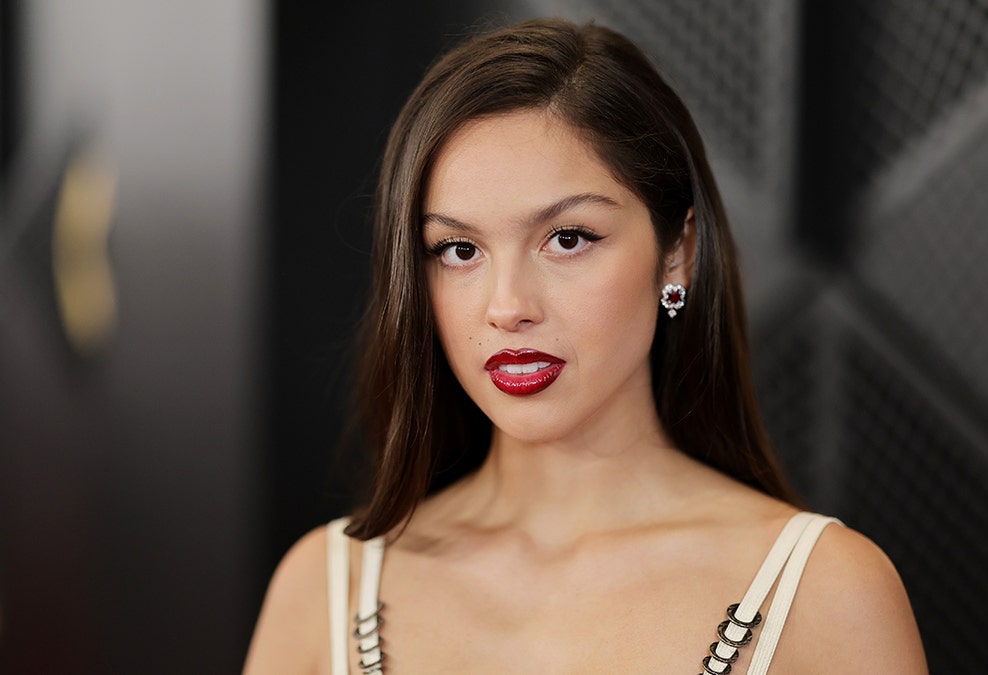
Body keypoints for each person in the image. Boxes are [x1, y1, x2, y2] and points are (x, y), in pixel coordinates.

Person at [245, 18, 927, 674]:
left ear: (678, 253)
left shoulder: (828, 592)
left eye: (568, 238)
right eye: (458, 249)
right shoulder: (326, 588)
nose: (508, 306)